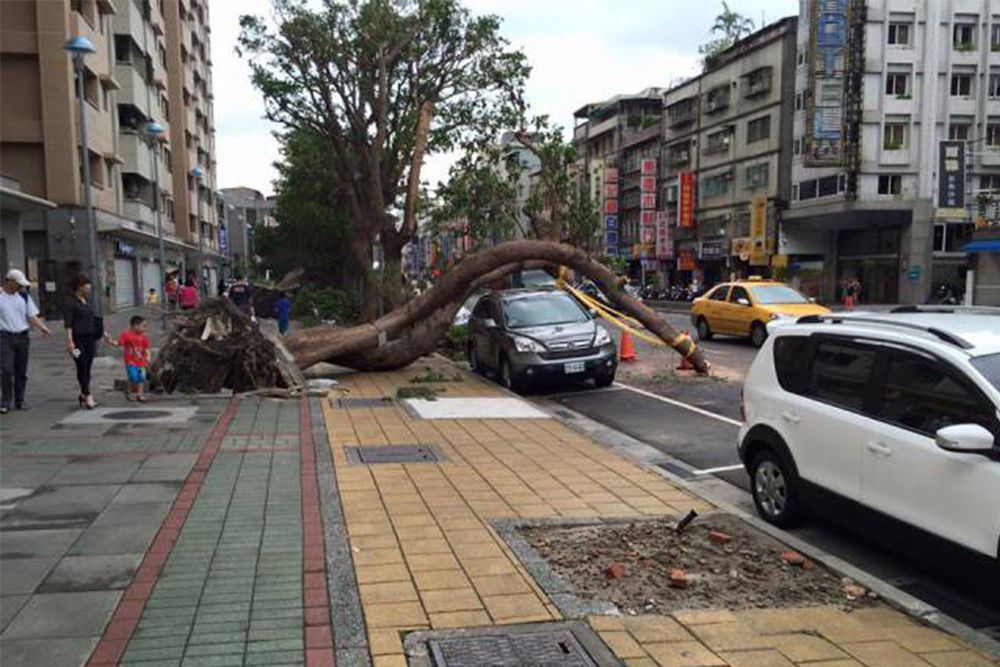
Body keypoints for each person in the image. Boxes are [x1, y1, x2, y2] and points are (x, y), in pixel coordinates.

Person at [0, 269, 51, 413]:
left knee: (21, 371)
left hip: (22, 337)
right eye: (18, 284)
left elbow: (31, 316)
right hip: (4, 337)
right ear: (9, 282)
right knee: (6, 369)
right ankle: (5, 401)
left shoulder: (23, 296)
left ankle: (20, 400)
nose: (20, 286)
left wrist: (43, 327)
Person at [65, 274, 110, 409]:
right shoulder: (71, 303)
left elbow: (91, 320)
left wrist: (104, 333)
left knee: (88, 366)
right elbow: (68, 324)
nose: (89, 287)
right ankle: (87, 394)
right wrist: (70, 342)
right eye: (87, 285)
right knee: (81, 364)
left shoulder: (86, 301)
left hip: (90, 339)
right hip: (77, 340)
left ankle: (83, 393)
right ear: (80, 287)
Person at [115, 315, 151, 402]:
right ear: (135, 326)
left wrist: (148, 357)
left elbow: (146, 349)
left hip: (141, 361)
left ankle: (140, 394)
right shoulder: (126, 335)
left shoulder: (144, 338)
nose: (145, 329)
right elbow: (119, 343)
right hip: (130, 361)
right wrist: (111, 341)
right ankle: (128, 391)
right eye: (143, 326)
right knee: (133, 377)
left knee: (141, 377)